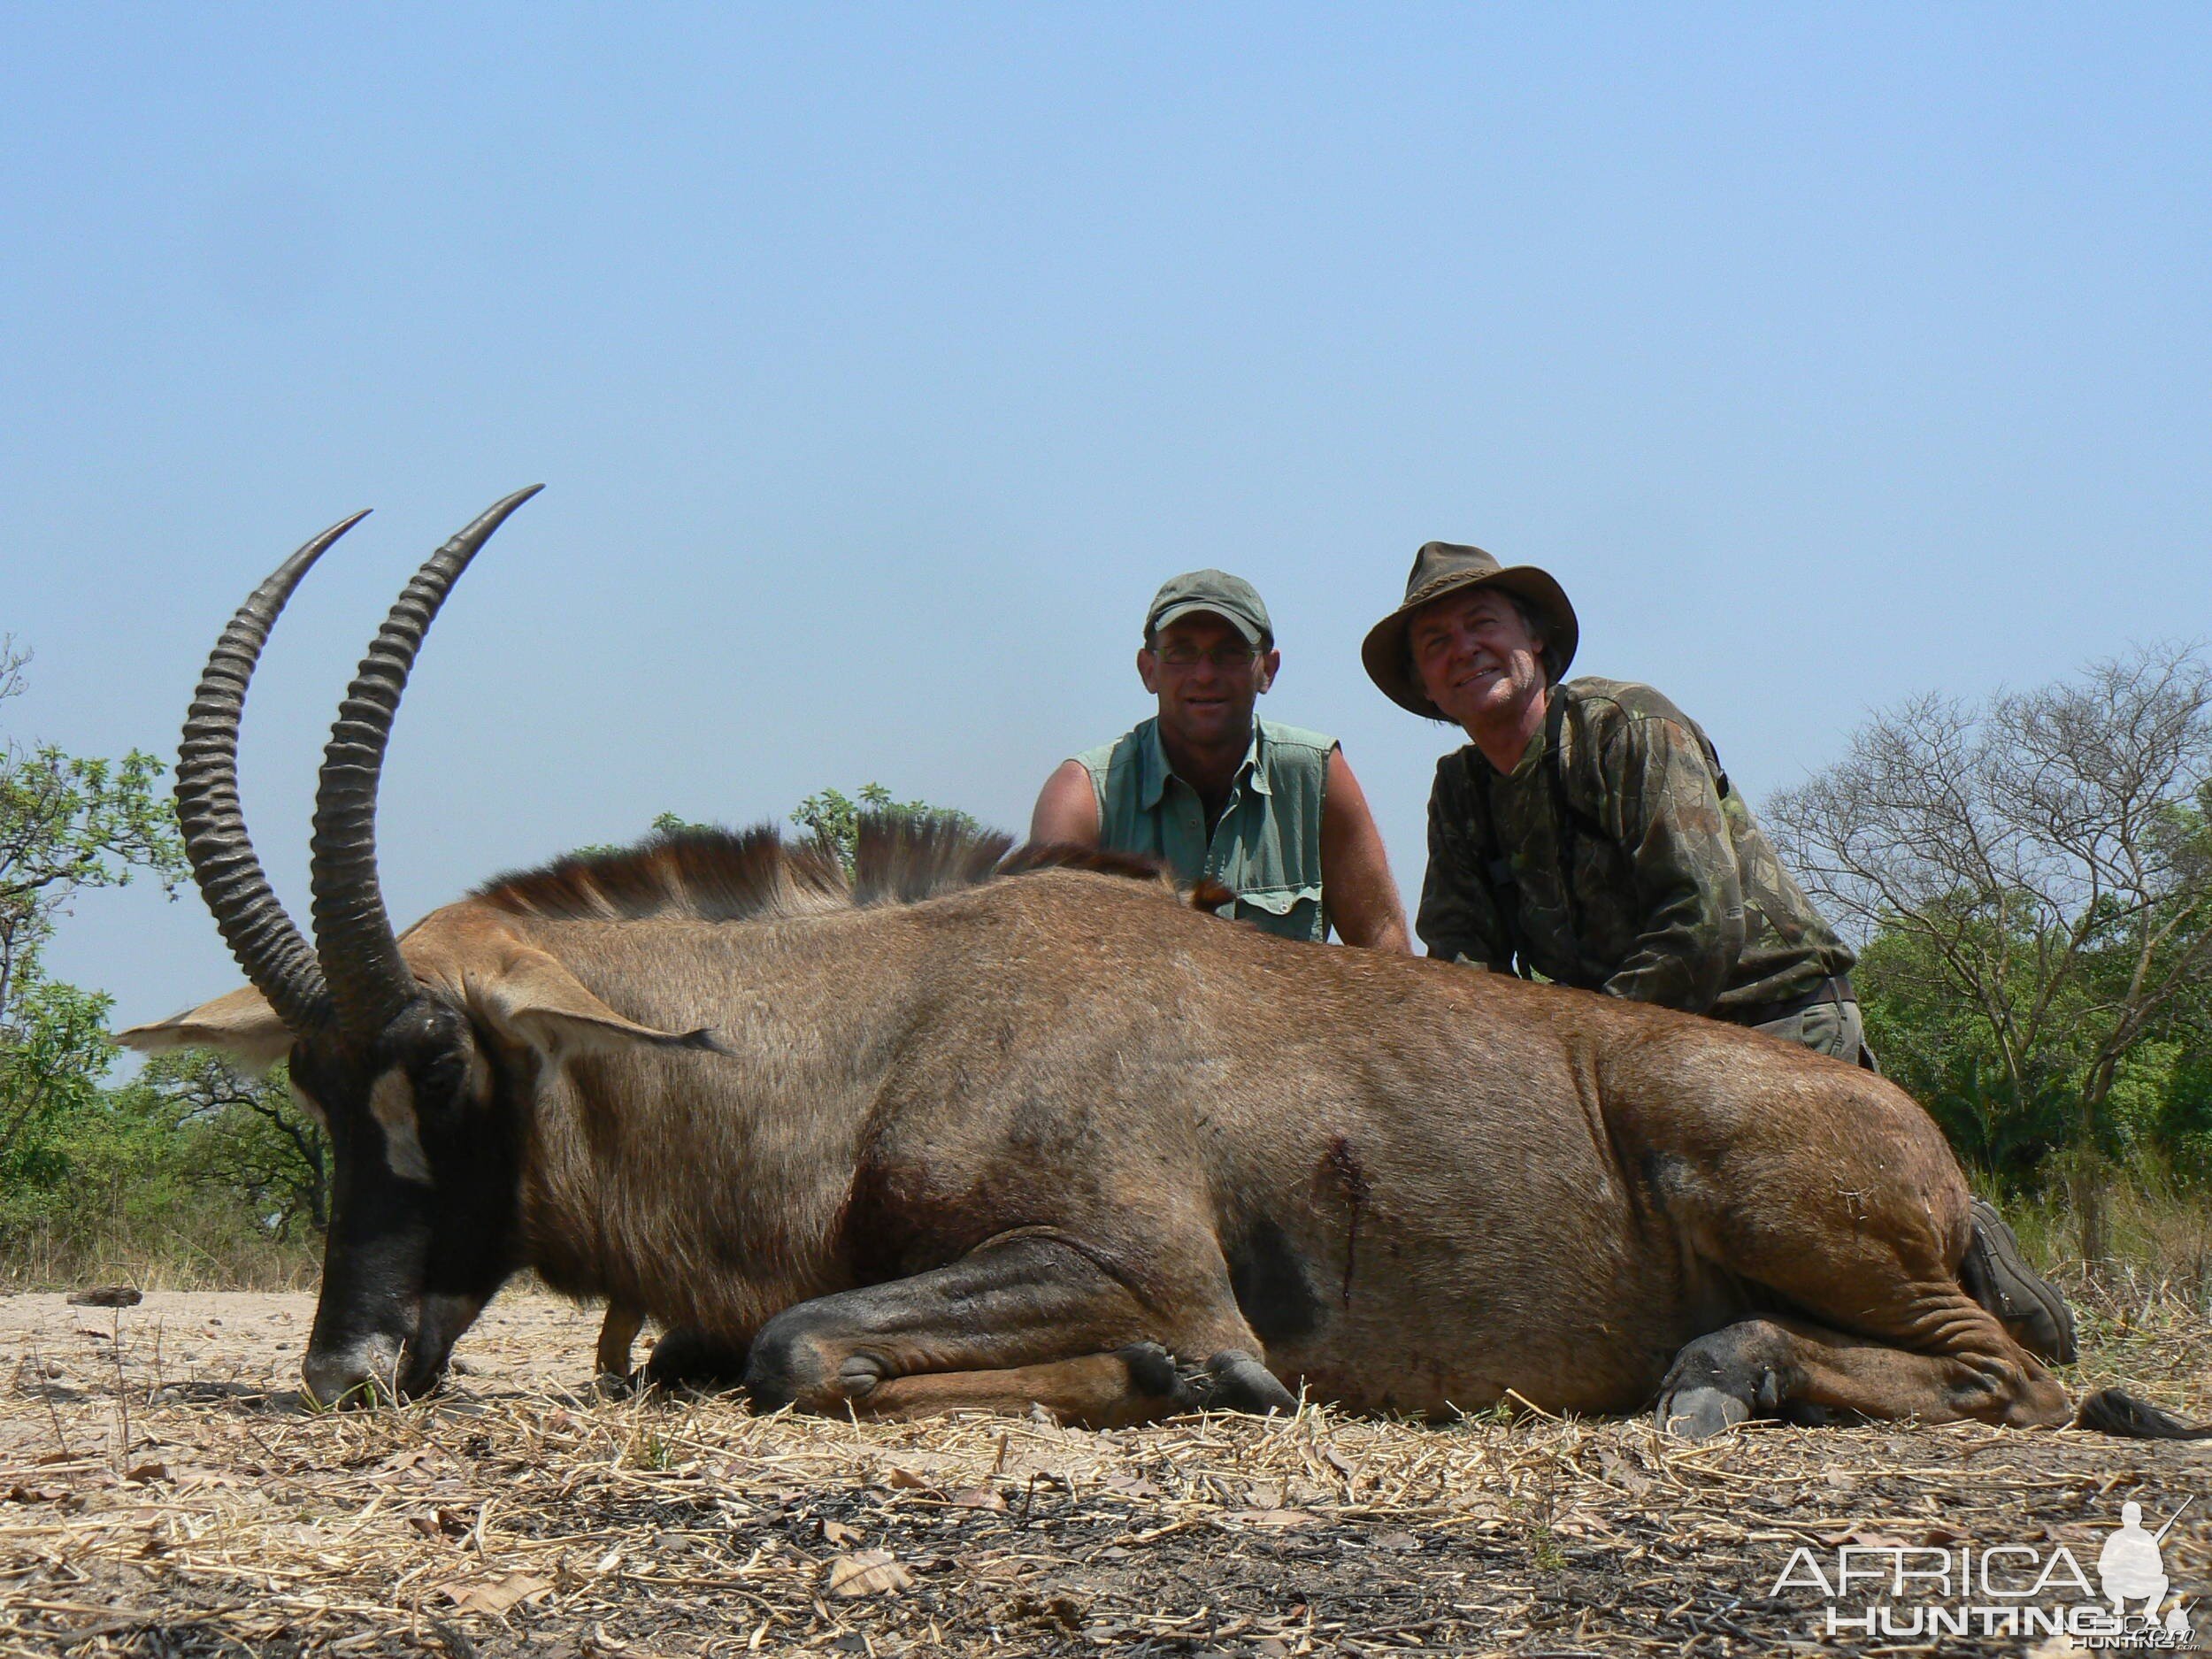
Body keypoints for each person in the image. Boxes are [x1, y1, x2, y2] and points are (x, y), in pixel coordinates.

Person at [1362, 539, 2077, 1361]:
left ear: (1536, 642)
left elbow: (1702, 922)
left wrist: (1570, 1072)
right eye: (1436, 644)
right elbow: (1460, 967)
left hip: (1766, 1023)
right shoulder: (1460, 795)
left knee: (1751, 1230)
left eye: (1480, 625)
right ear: (1422, 686)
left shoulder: (1628, 726)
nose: (1464, 652)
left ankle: (1950, 1253)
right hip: (1621, 1067)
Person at [1032, 570, 1409, 950]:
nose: (1205, 674)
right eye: (1181, 652)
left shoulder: (1317, 776)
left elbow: (1382, 941)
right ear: (1149, 670)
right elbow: (1050, 964)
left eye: (1230, 653)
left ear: (1267, 670)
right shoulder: (1083, 797)